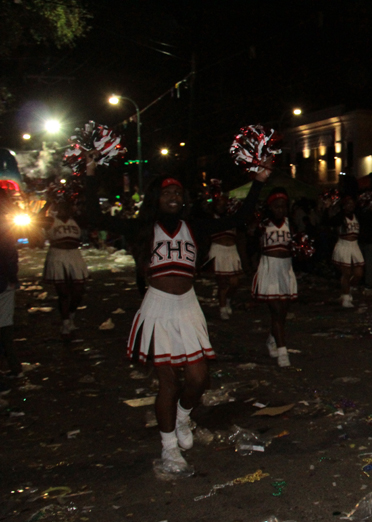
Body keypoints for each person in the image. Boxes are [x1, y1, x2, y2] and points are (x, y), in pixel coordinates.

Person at [84, 158, 267, 471]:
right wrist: (90, 175)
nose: (174, 197)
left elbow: (241, 216)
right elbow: (92, 217)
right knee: (167, 382)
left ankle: (183, 416)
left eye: (179, 193)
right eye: (168, 192)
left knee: (199, 378)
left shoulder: (193, 227)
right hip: (157, 306)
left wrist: (260, 180)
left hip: (188, 305)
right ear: (157, 197)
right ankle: (169, 449)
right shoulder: (143, 227)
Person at [252, 187, 298, 367]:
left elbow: (296, 246)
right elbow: (253, 246)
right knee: (277, 311)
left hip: (286, 270)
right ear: (270, 207)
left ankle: (272, 338)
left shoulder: (290, 223)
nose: (280, 210)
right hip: (269, 268)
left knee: (283, 313)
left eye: (283, 206)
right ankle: (282, 351)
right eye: (277, 206)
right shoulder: (262, 225)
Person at [36, 197, 90, 336]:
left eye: (68, 207)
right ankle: (65, 322)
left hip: (74, 255)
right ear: (58, 209)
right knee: (63, 292)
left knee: (79, 290)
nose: (65, 210)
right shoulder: (51, 221)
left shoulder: (76, 220)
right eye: (62, 207)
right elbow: (37, 219)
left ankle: (71, 315)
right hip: (57, 255)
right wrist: (48, 203)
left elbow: (92, 218)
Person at [205, 190, 243, 321]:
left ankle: (227, 299)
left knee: (235, 282)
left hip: (232, 250)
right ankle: (222, 308)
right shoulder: (210, 219)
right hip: (218, 249)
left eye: (223, 203)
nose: (221, 206)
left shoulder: (232, 218)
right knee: (222, 283)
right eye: (219, 203)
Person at [0, 188, 20, 391]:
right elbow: (9, 256)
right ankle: (14, 366)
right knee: (5, 325)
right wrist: (12, 279)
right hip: (3, 282)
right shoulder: (4, 226)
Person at [330, 196, 364, 307]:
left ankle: (347, 291)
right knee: (346, 273)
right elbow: (331, 222)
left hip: (355, 245)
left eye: (352, 203)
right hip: (344, 244)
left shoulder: (356, 216)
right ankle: (345, 297)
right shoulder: (341, 217)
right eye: (348, 203)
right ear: (344, 205)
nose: (351, 206)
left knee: (358, 273)